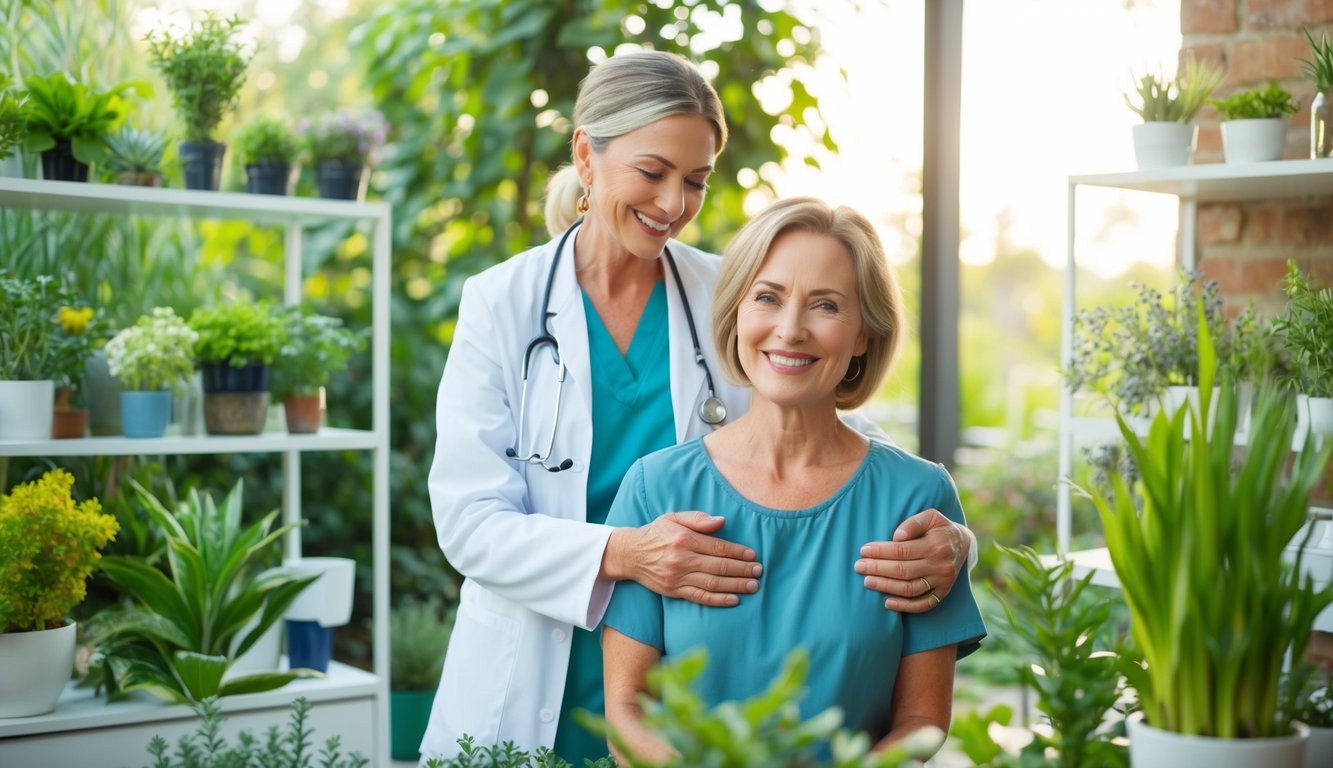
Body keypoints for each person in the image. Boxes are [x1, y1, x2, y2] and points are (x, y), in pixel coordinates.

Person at [422, 51, 975, 762]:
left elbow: (832, 439)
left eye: (695, 181)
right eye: (652, 174)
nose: (673, 204)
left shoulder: (730, 290)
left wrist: (955, 539)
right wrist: (629, 553)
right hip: (538, 662)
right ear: (586, 156)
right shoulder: (503, 302)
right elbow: (467, 522)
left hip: (689, 669)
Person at [601, 198, 987, 763]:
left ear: (863, 334)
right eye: (768, 297)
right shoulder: (654, 489)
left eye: (826, 305)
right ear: (736, 313)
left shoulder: (918, 498)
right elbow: (627, 710)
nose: (790, 329)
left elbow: (923, 720)